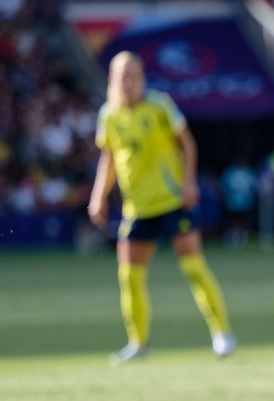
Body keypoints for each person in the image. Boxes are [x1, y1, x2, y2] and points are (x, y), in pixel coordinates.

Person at [88, 51, 236, 364]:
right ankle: (138, 343)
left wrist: (189, 182)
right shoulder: (109, 116)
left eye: (132, 75)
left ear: (141, 78)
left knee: (193, 268)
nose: (127, 82)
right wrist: (98, 195)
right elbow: (109, 157)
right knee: (129, 277)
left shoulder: (159, 106)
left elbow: (187, 143)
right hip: (137, 208)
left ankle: (221, 333)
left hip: (171, 201)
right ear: (111, 81)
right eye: (121, 76)